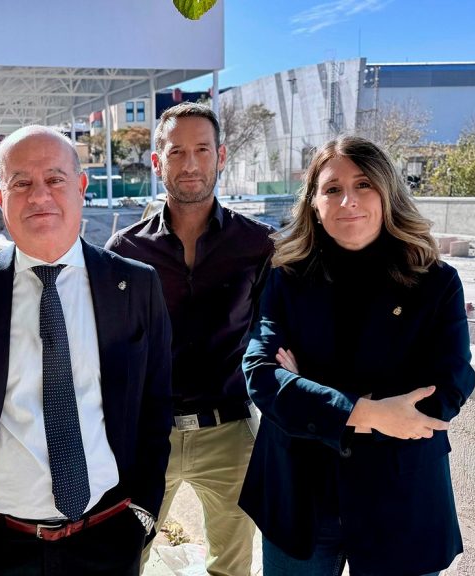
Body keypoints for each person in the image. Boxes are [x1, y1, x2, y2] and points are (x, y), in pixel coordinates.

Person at [0, 125, 173, 575]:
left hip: (106, 539)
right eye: (21, 183)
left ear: (80, 186)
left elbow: (155, 404)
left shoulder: (135, 286)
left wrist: (142, 515)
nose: (39, 196)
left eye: (54, 179)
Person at [240, 135, 475, 576]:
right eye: (331, 188)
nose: (348, 200)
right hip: (301, 497)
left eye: (363, 184)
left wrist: (310, 390)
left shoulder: (435, 283)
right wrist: (371, 411)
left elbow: (450, 385)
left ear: (387, 191)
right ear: (313, 202)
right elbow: (263, 378)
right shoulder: (285, 278)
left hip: (400, 497)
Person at [106, 102, 273, 576]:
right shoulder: (126, 251)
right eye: (177, 151)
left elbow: (273, 333)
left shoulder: (258, 244)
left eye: (202, 149)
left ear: (221, 157)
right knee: (122, 558)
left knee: (233, 565)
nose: (191, 163)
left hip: (229, 433)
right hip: (147, 436)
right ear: (157, 161)